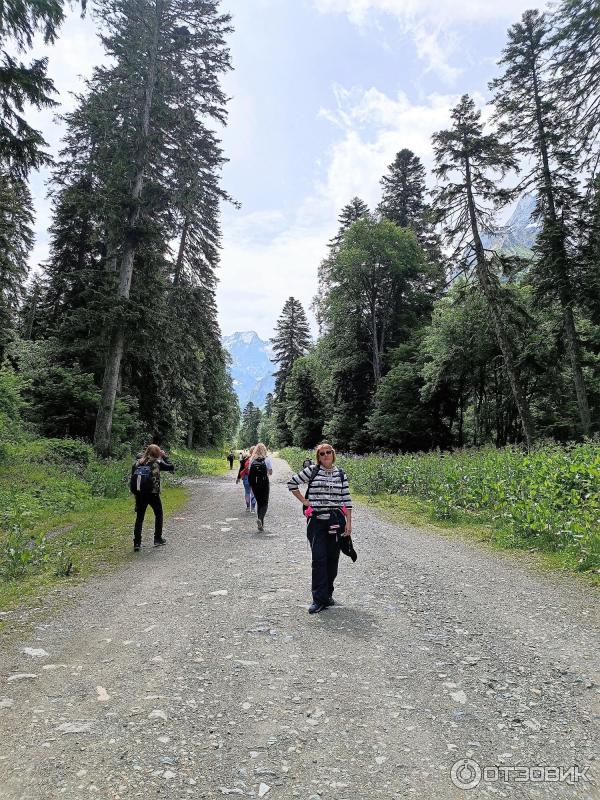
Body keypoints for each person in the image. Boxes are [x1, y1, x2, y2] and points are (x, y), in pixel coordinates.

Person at [288, 442, 353, 614]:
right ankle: (318, 599)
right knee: (319, 559)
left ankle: (327, 596)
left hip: (335, 520)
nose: (325, 456)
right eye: (322, 454)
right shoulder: (312, 471)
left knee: (333, 559)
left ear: (333, 454)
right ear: (318, 457)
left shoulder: (340, 474)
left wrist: (349, 522)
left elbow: (346, 500)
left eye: (328, 452)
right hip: (316, 521)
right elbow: (292, 483)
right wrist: (304, 501)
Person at [130, 444, 174, 552]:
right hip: (153, 494)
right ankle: (157, 538)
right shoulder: (157, 463)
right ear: (157, 453)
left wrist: (136, 500)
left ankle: (137, 543)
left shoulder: (137, 463)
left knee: (139, 518)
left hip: (140, 495)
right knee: (159, 514)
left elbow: (134, 481)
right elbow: (171, 467)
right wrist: (164, 456)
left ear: (146, 451)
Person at [248, 442, 273, 531]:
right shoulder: (267, 459)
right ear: (264, 450)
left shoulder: (252, 459)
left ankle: (260, 523)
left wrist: (251, 485)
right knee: (265, 503)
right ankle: (260, 519)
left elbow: (249, 473)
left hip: (255, 484)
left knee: (259, 502)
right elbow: (270, 472)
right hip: (264, 483)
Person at [236, 447, 256, 513]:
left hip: (246, 478)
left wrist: (238, 478)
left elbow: (241, 468)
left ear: (250, 451)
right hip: (255, 478)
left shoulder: (245, 458)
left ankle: (248, 507)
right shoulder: (259, 459)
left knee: (247, 492)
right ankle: (253, 508)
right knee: (254, 493)